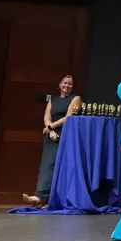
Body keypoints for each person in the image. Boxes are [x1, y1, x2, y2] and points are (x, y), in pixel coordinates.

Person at [23, 75, 82, 207]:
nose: (67, 86)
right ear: (60, 84)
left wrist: (50, 127)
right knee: (47, 165)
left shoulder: (76, 98)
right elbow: (46, 117)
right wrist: (50, 131)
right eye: (65, 83)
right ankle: (40, 197)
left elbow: (69, 117)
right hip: (51, 135)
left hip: (66, 134)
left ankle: (52, 200)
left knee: (59, 166)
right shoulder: (53, 100)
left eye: (70, 84)